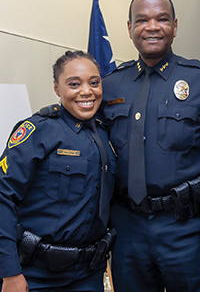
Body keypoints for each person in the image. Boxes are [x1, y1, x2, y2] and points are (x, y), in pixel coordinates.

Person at [101, 0, 200, 292]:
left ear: (175, 26)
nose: (152, 26)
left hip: (185, 228)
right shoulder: (110, 85)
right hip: (127, 228)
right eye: (142, 20)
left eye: (162, 19)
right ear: (129, 28)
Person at [0, 50, 116, 292]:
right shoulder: (38, 131)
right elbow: (3, 198)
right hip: (35, 273)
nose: (86, 91)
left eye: (94, 83)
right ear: (56, 88)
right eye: (74, 84)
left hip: (88, 274)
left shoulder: (106, 135)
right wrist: (9, 272)